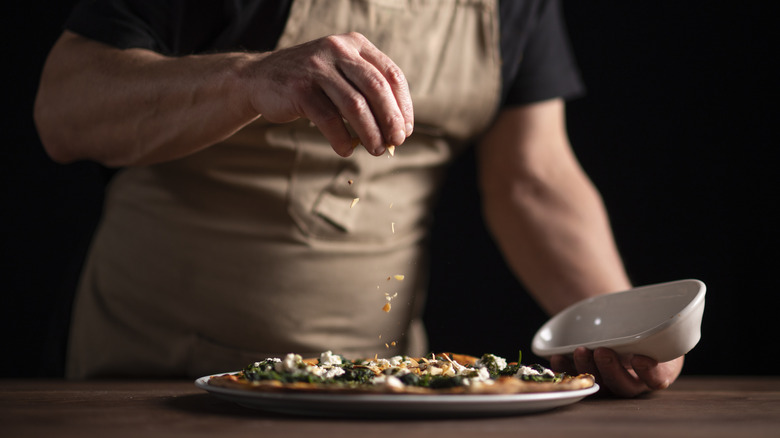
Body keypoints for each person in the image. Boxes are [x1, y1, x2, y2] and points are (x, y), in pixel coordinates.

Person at [34, 0, 682, 397]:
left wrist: (626, 328)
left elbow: (531, 176)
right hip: (157, 383)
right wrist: (244, 79)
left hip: (379, 392)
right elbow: (64, 109)